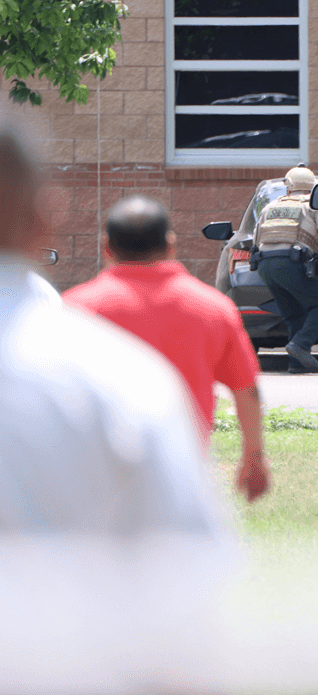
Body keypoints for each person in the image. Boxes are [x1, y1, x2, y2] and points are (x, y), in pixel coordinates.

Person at [0, 113, 234, 695]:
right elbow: (186, 604)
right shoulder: (119, 376)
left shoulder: (84, 308)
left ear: (105, 247)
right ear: (45, 217)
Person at [65, 196, 270, 502]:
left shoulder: (75, 309)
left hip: (92, 476)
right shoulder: (213, 308)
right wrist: (253, 455)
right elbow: (246, 388)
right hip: (181, 472)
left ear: (106, 247)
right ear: (170, 245)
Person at [252, 165, 318, 373]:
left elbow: (256, 238)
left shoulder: (270, 207)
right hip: (292, 263)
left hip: (265, 266)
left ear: (289, 187)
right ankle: (300, 345)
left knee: (294, 315)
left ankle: (296, 364)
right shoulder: (313, 206)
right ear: (312, 188)